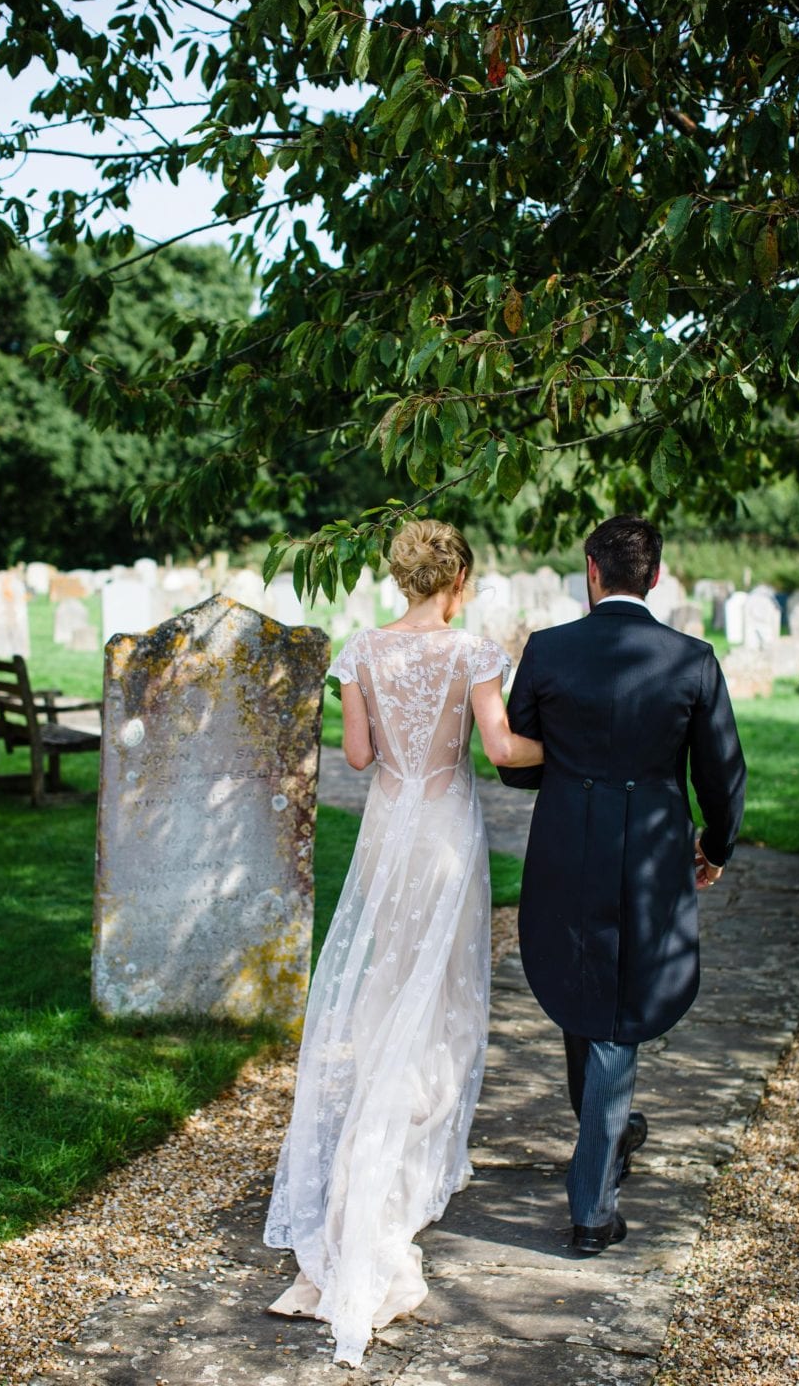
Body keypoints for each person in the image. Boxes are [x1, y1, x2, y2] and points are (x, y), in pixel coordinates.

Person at [263, 519, 543, 1367]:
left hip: (389, 830)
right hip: (447, 832)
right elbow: (501, 748)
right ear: (457, 580)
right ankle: (407, 1148)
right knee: (442, 992)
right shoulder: (474, 652)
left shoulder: (361, 650)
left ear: (399, 577)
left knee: (389, 988)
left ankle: (376, 1145)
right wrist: (585, 744)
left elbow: (356, 756)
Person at [498, 515, 746, 1256]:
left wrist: (575, 766)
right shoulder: (692, 660)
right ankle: (593, 1210)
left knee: (595, 1001)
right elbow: (723, 774)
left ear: (591, 570)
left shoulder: (547, 650)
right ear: (656, 577)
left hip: (566, 847)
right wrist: (716, 847)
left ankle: (605, 1145)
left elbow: (516, 766)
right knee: (610, 1010)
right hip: (653, 854)